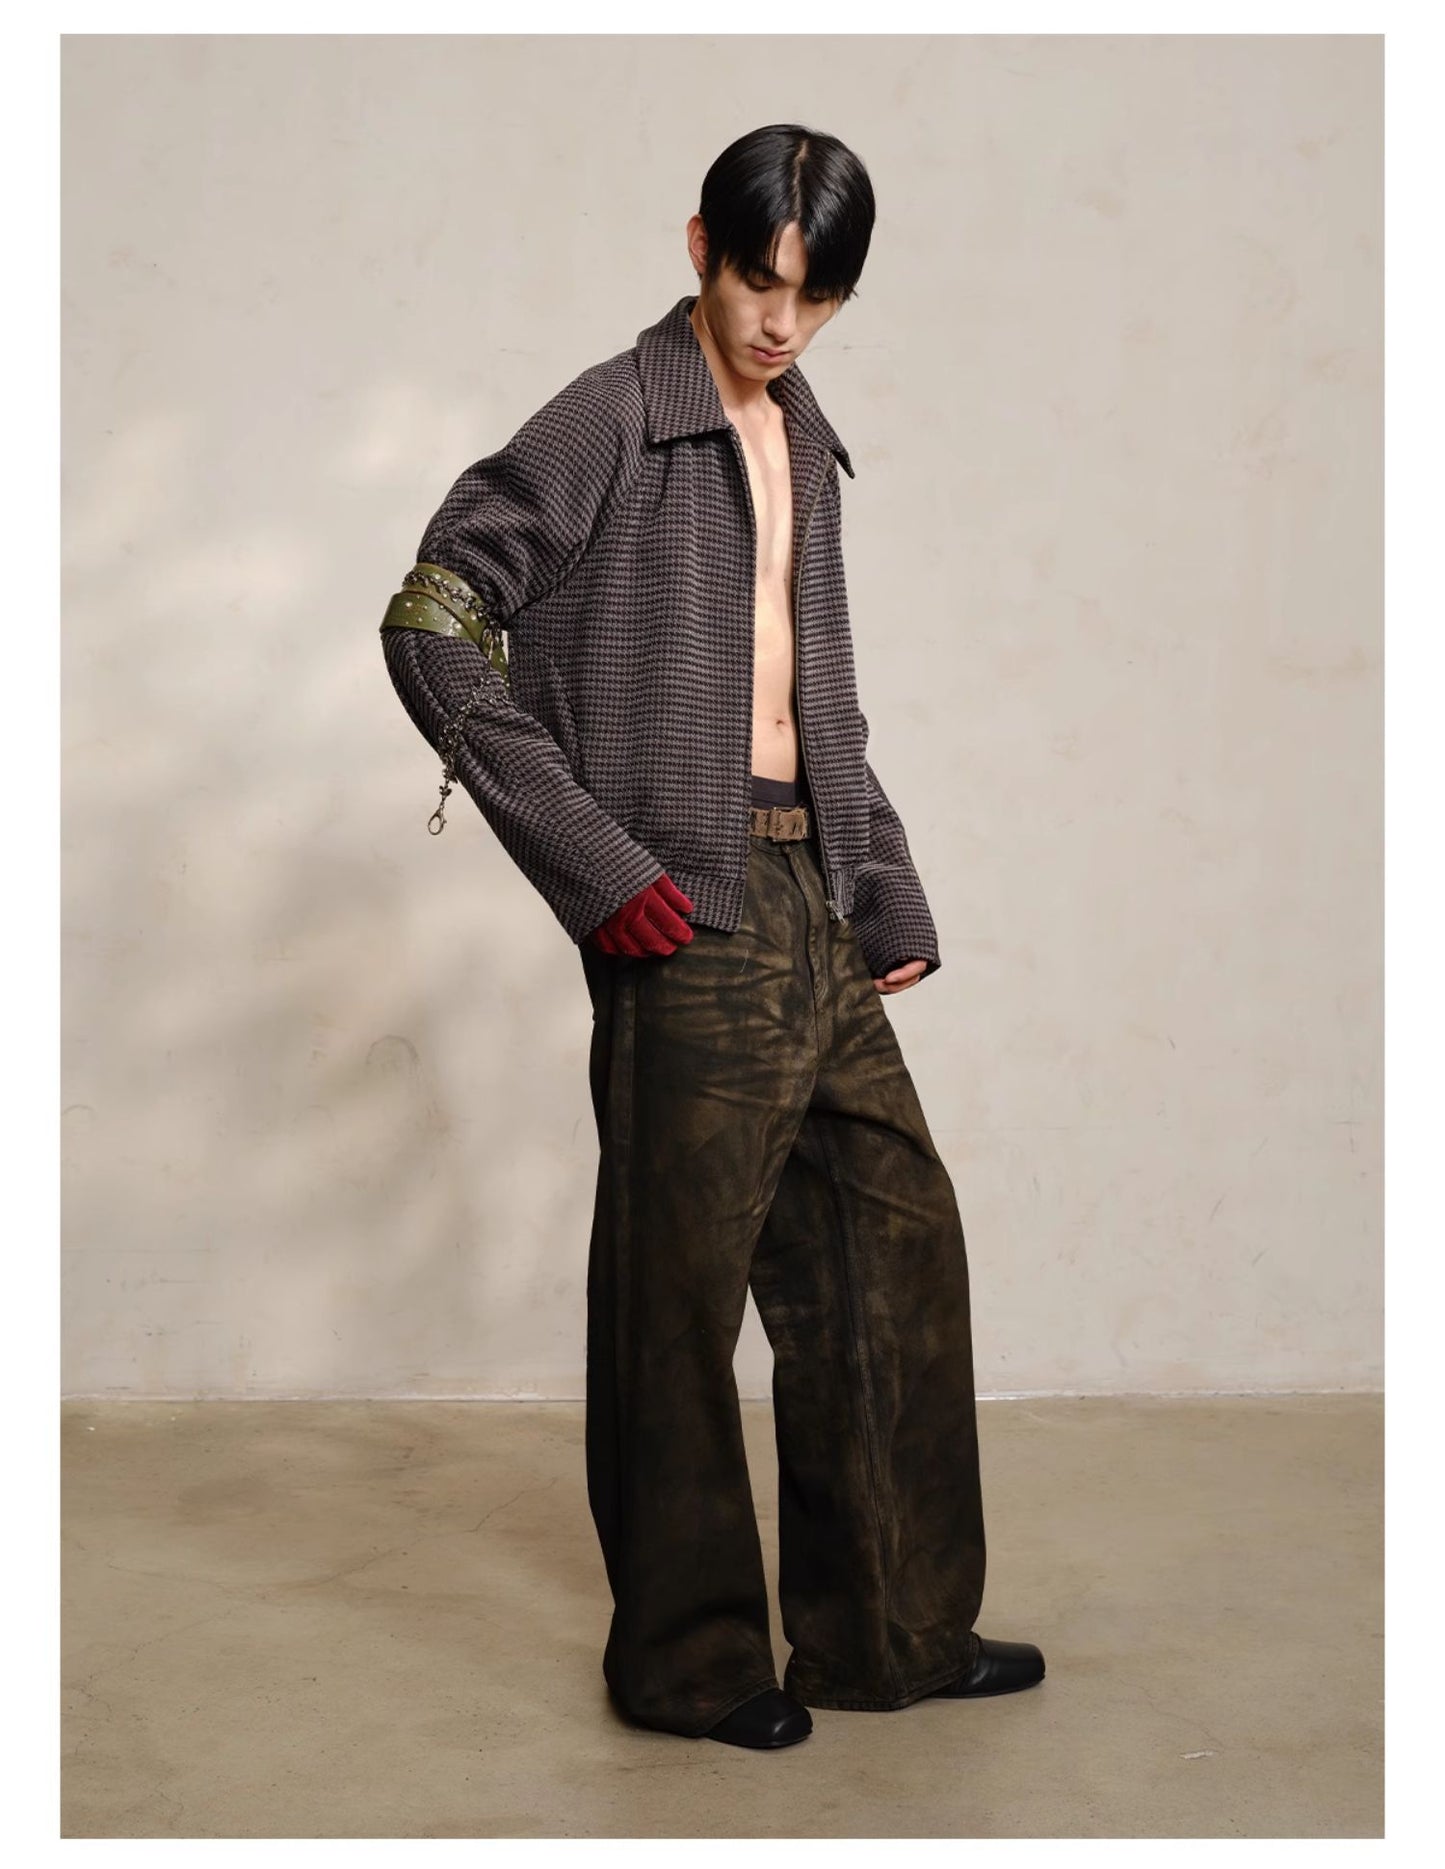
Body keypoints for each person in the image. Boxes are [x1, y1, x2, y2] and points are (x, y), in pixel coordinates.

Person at [379, 123, 1044, 1749]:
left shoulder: (802, 438)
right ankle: (686, 1664)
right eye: (759, 281)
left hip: (812, 889)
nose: (781, 322)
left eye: (817, 297)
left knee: (891, 1248)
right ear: (700, 248)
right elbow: (433, 617)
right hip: (683, 905)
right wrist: (592, 859)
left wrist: (883, 879)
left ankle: (887, 1632)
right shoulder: (612, 415)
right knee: (673, 1299)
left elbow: (819, 697)